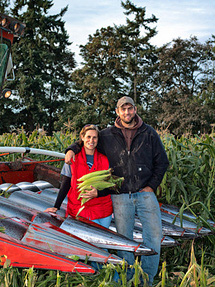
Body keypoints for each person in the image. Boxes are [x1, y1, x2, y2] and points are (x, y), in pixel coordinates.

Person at [65, 96, 169, 286]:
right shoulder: (107, 135)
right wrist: (71, 148)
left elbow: (162, 162)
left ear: (135, 110)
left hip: (145, 194)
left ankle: (147, 279)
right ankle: (127, 277)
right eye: (123, 109)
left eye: (130, 109)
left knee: (153, 236)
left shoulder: (149, 133)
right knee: (123, 239)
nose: (127, 112)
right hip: (120, 196)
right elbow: (87, 141)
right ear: (117, 112)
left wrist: (151, 186)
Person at [45, 124, 113, 229]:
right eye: (88, 137)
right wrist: (56, 206)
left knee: (102, 242)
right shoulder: (72, 158)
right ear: (82, 137)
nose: (91, 140)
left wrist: (98, 193)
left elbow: (113, 184)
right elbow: (66, 183)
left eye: (95, 137)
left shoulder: (105, 158)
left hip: (103, 210)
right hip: (80, 210)